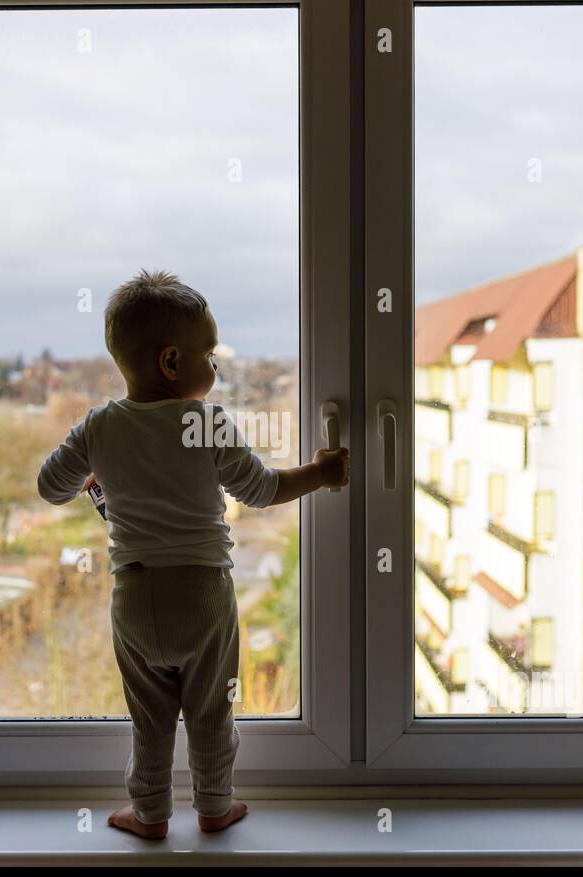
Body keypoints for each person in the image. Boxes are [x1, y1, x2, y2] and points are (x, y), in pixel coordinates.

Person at [37, 269, 349, 839]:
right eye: (210, 354)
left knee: (149, 718)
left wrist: (90, 473)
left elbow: (50, 486)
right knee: (210, 711)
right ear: (173, 362)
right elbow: (261, 491)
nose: (217, 367)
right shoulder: (206, 423)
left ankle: (151, 814)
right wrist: (322, 473)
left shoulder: (99, 426)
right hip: (204, 594)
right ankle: (214, 807)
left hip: (134, 597)